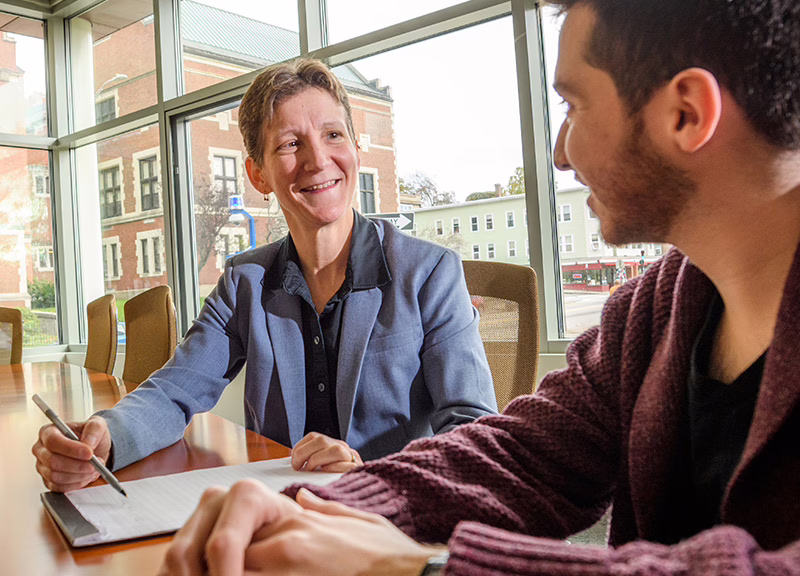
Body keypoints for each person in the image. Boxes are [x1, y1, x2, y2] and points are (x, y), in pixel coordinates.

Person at [159, 0, 800, 574]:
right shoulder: (652, 313)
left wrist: (418, 568)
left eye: (573, 105)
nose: (560, 151)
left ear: (687, 114)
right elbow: (516, 456)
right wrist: (323, 511)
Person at [32, 59, 497, 490]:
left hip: (388, 519)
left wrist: (370, 475)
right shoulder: (244, 282)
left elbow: (474, 429)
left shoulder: (429, 272)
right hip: (278, 511)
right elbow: (175, 389)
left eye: (333, 135)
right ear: (258, 175)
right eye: (291, 144)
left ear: (356, 150)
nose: (318, 160)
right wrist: (105, 437)